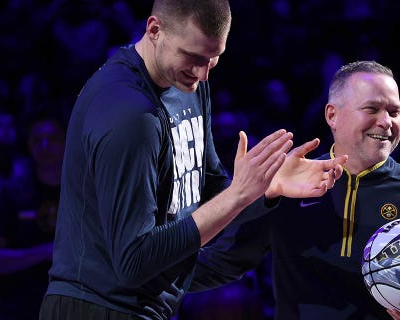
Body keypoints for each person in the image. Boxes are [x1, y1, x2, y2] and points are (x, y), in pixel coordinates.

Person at [39, 1, 347, 319]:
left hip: (142, 306)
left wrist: (265, 187)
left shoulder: (186, 84)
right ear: (154, 30)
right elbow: (133, 262)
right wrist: (238, 195)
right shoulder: (128, 114)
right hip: (95, 307)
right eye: (192, 57)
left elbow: (207, 186)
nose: (201, 74)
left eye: (212, 60)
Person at [192, 60, 400, 319]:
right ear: (332, 115)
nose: (386, 122)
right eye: (372, 109)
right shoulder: (289, 185)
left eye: (394, 112)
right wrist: (152, 265)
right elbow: (221, 264)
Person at [0, 109, 66, 319]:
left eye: (52, 138)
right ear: (28, 144)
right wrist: (44, 252)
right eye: (37, 140)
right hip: (21, 308)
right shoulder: (11, 194)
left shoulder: (87, 190)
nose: (44, 146)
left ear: (67, 140)